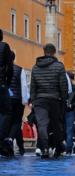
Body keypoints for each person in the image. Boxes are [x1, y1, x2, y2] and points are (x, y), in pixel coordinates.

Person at [30, 44, 69, 159]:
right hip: (55, 99)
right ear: (54, 52)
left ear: (44, 52)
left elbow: (33, 87)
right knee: (56, 124)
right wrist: (64, 98)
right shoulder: (59, 66)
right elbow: (63, 85)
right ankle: (57, 148)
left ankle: (45, 148)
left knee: (42, 124)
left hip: (40, 100)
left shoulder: (35, 67)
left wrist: (34, 100)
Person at [7, 52, 29, 156]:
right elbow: (24, 86)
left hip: (5, 99)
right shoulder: (20, 70)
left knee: (7, 122)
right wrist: (25, 101)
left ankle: (17, 146)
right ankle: (14, 143)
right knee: (16, 123)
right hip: (17, 99)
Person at [0, 29, 14, 157]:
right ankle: (1, 140)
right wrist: (7, 82)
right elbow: (10, 68)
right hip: (1, 84)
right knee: (6, 112)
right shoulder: (4, 47)